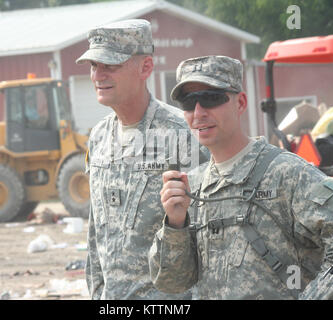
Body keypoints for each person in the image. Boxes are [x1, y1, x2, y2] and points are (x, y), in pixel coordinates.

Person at [148, 55, 333, 299]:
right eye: (188, 103)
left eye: (211, 98)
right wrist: (176, 226)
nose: (198, 113)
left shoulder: (287, 173)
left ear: (240, 103)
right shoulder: (193, 187)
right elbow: (173, 282)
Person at [75, 19, 208, 299]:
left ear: (145, 67)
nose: (99, 75)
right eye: (93, 66)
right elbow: (96, 231)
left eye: (110, 65)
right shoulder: (99, 137)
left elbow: (211, 233)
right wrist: (97, 293)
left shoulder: (182, 135)